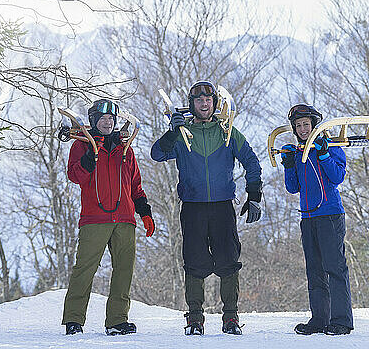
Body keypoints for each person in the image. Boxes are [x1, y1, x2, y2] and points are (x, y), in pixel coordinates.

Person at [150, 81, 262, 336]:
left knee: (229, 262)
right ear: (192, 104)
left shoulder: (228, 132)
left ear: (214, 103)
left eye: (208, 100)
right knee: (195, 263)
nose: (204, 103)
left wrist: (254, 195)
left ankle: (231, 319)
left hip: (223, 207)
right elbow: (156, 154)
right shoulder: (182, 133)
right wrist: (172, 132)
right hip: (193, 207)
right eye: (199, 100)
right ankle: (195, 318)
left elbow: (252, 162)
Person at [62, 99, 155, 336]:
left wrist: (144, 212)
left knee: (124, 270)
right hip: (94, 219)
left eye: (111, 119)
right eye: (102, 119)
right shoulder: (83, 146)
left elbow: (135, 185)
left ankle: (116, 321)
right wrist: (87, 162)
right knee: (85, 269)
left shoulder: (125, 149)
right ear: (93, 120)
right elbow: (74, 176)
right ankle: (74, 320)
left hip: (124, 219)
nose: (107, 122)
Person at [280, 104, 353, 336]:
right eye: (299, 126)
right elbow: (293, 188)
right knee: (315, 270)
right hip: (307, 217)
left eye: (306, 124)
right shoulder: (299, 151)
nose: (303, 129)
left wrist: (323, 155)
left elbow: (337, 176)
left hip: (330, 214)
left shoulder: (330, 146)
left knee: (335, 268)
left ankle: (341, 320)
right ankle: (320, 319)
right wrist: (289, 165)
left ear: (314, 124)